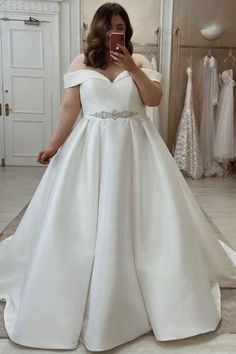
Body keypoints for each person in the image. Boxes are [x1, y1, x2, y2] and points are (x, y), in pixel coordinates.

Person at [0, 2, 236, 352]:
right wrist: (53, 145)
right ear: (98, 29)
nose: (118, 31)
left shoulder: (140, 63)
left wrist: (132, 67)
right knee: (79, 219)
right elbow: (70, 108)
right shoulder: (80, 63)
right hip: (90, 149)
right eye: (111, 26)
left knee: (146, 219)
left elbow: (153, 100)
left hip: (136, 149)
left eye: (122, 26)